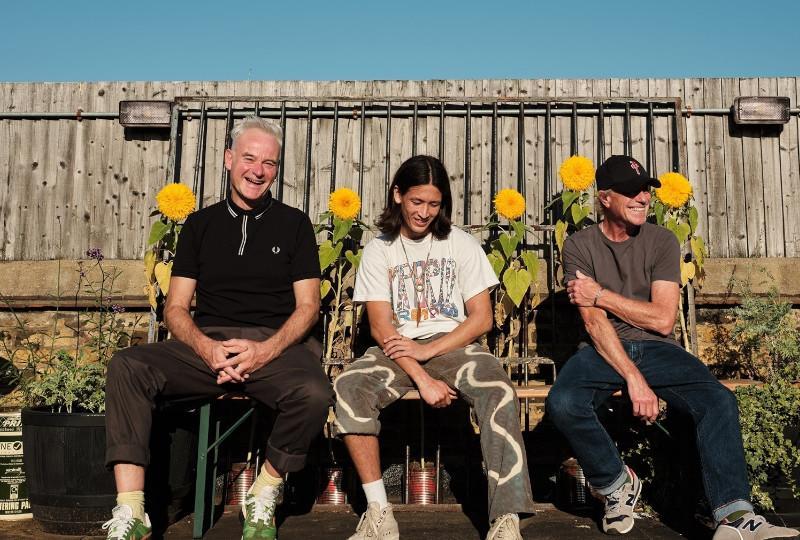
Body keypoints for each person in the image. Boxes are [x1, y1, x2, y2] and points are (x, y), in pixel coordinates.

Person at [102, 116, 333, 540]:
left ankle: (263, 494)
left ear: (276, 170)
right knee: (127, 366)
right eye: (249, 158)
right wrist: (207, 348)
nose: (258, 170)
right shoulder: (199, 225)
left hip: (273, 345)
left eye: (269, 163)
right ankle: (132, 511)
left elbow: (307, 308)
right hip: (204, 343)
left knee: (316, 392)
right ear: (229, 159)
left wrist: (264, 352)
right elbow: (175, 308)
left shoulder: (295, 224)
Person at [545, 155, 799, 539]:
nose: (643, 198)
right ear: (605, 198)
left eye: (646, 189)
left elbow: (663, 320)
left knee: (718, 401)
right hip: (603, 349)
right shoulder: (580, 245)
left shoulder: (663, 240)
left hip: (659, 349)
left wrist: (600, 294)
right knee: (563, 403)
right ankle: (616, 485)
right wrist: (634, 379)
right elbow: (594, 323)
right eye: (631, 191)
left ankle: (734, 516)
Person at [333, 155, 536, 540]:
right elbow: (380, 326)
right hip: (396, 349)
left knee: (498, 390)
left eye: (433, 203)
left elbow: (481, 319)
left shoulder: (460, 243)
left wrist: (430, 351)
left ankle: (505, 518)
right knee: (349, 387)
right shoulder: (380, 250)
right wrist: (421, 375)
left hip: (456, 346)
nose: (424, 212)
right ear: (397, 195)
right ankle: (379, 513)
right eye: (416, 202)